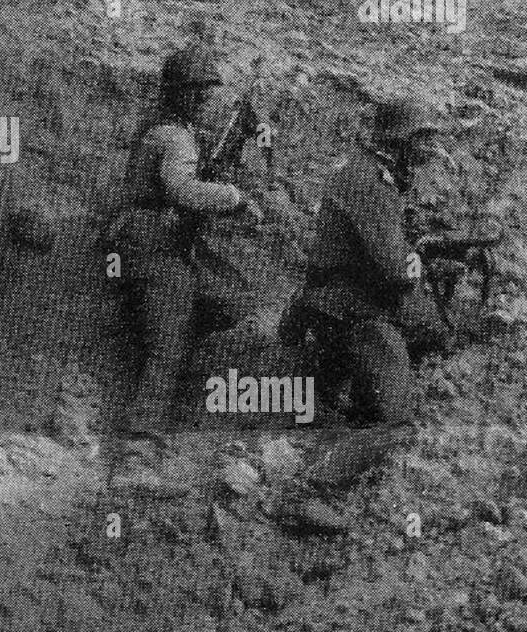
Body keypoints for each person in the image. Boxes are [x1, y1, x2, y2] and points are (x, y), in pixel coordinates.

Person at [107, 44, 263, 492]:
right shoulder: (174, 139)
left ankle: (191, 371)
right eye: (201, 93)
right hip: (152, 250)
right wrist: (232, 197)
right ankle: (137, 451)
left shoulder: (161, 130)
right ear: (187, 95)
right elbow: (181, 190)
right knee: (167, 344)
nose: (207, 101)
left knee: (228, 299)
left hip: (157, 245)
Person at [280, 98, 450, 431]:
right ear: (400, 139)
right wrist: (422, 261)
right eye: (423, 138)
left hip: (357, 292)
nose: (430, 147)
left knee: (435, 332)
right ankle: (342, 392)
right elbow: (396, 273)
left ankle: (348, 379)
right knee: (393, 419)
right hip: (348, 306)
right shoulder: (370, 183)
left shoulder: (371, 171)